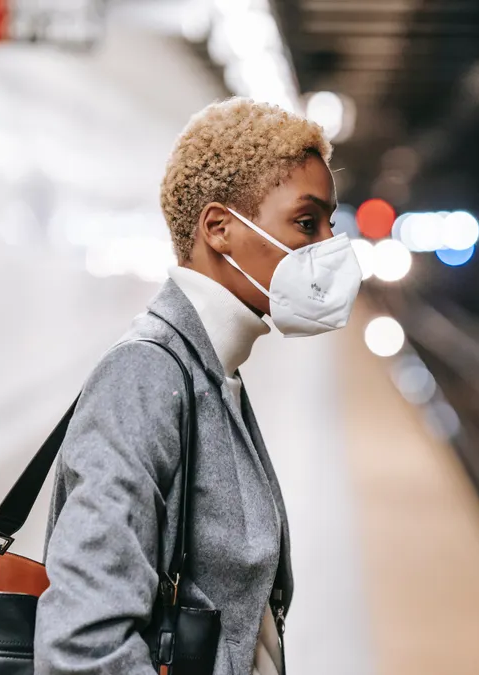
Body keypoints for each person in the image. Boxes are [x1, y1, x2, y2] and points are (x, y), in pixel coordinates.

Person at [33, 97, 362, 675]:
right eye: (306, 223)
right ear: (219, 229)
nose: (328, 248)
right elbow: (82, 644)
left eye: (331, 224)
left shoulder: (213, 370)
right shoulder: (147, 377)